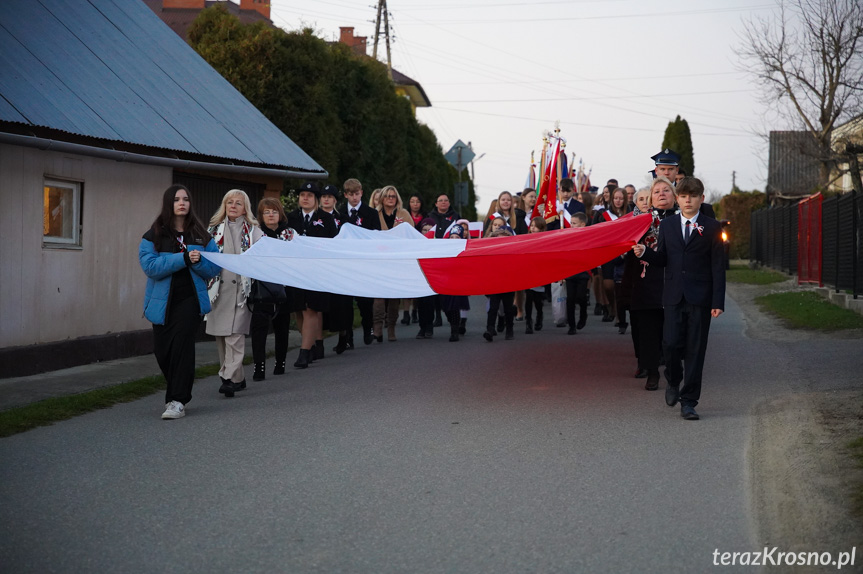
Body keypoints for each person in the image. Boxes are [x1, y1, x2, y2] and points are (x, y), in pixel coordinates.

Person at [633, 177, 725, 420]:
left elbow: (718, 267)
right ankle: (673, 381)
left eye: (692, 196)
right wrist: (646, 253)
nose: (688, 200)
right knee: (671, 344)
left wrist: (717, 302)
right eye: (683, 196)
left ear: (701, 199)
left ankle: (689, 401)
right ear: (678, 199)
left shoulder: (712, 227)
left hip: (700, 298)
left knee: (696, 350)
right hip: (673, 296)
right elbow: (663, 258)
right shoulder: (669, 225)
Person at [139, 184, 221, 419]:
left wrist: (197, 263)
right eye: (176, 199)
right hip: (161, 303)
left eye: (186, 199)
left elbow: (214, 267)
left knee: (182, 349)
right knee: (163, 352)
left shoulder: (201, 235)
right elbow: (150, 267)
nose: (182, 203)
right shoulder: (154, 235)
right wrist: (183, 258)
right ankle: (176, 390)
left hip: (190, 301)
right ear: (169, 203)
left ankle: (177, 400)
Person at [206, 189, 264, 397]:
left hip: (242, 292)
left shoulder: (253, 230)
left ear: (245, 208)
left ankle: (228, 377)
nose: (233, 206)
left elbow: (263, 255)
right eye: (229, 202)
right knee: (222, 337)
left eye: (238, 203)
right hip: (218, 291)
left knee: (235, 336)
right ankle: (237, 379)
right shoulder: (213, 230)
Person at [624, 177, 679, 389]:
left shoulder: (682, 220)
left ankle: (674, 372)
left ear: (674, 197)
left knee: (672, 336)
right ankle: (652, 372)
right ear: (651, 199)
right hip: (647, 283)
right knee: (648, 331)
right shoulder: (639, 221)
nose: (661, 194)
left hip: (673, 284)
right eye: (657, 192)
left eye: (666, 190)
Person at [286, 182, 338, 368]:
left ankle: (304, 352)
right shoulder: (291, 218)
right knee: (299, 310)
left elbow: (334, 244)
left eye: (309, 195)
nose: (305, 198)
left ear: (316, 199)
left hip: (317, 271)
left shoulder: (325, 218)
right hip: (296, 270)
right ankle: (310, 344)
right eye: (302, 195)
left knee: (311, 309)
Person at [249, 198, 293, 381]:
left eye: (274, 211)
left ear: (280, 213)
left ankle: (280, 363)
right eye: (266, 212)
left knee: (282, 327)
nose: (271, 215)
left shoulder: (289, 233)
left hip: (284, 287)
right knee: (259, 329)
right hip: (262, 287)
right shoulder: (256, 234)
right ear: (261, 215)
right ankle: (259, 367)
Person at [341, 178, 381, 347]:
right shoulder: (340, 213)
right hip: (346, 263)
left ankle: (367, 328)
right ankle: (347, 336)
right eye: (351, 195)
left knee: (365, 301)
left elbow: (376, 236)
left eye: (357, 194)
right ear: (345, 195)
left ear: (362, 193)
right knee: (345, 302)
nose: (354, 198)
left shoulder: (370, 213)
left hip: (364, 262)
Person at [374, 185, 412, 342]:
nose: (390, 198)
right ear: (382, 198)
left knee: (394, 297)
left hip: (397, 262)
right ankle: (377, 326)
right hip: (379, 261)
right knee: (378, 296)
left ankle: (391, 328)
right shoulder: (374, 214)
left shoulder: (404, 214)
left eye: (393, 196)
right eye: (388, 196)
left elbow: (411, 235)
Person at [319, 184, 353, 354]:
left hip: (340, 266)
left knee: (342, 304)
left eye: (329, 197)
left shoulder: (343, 219)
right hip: (321, 266)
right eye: (323, 196)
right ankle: (318, 343)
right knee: (322, 304)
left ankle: (344, 336)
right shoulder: (315, 218)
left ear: (335, 200)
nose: (326, 199)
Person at [482, 227, 516, 342]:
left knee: (508, 309)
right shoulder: (490, 252)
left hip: (508, 283)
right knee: (493, 308)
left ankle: (510, 329)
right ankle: (490, 329)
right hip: (495, 283)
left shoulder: (512, 253)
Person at [440, 223, 471, 341]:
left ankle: (454, 330)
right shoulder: (444, 250)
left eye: (457, 237)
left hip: (458, 282)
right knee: (446, 306)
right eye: (451, 237)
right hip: (445, 282)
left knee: (455, 305)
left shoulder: (465, 249)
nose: (454, 240)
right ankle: (454, 323)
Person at [564, 212, 591, 334]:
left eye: (574, 223)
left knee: (581, 297)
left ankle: (583, 314)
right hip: (570, 271)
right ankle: (572, 325)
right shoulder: (567, 236)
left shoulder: (587, 237)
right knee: (570, 299)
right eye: (570, 223)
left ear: (582, 224)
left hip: (583, 271)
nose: (571, 226)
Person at [524, 216, 547, 334]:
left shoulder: (545, 240)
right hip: (528, 272)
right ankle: (528, 321)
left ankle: (539, 315)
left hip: (539, 272)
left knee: (537, 300)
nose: (533, 228)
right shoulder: (526, 238)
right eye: (531, 226)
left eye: (536, 226)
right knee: (528, 297)